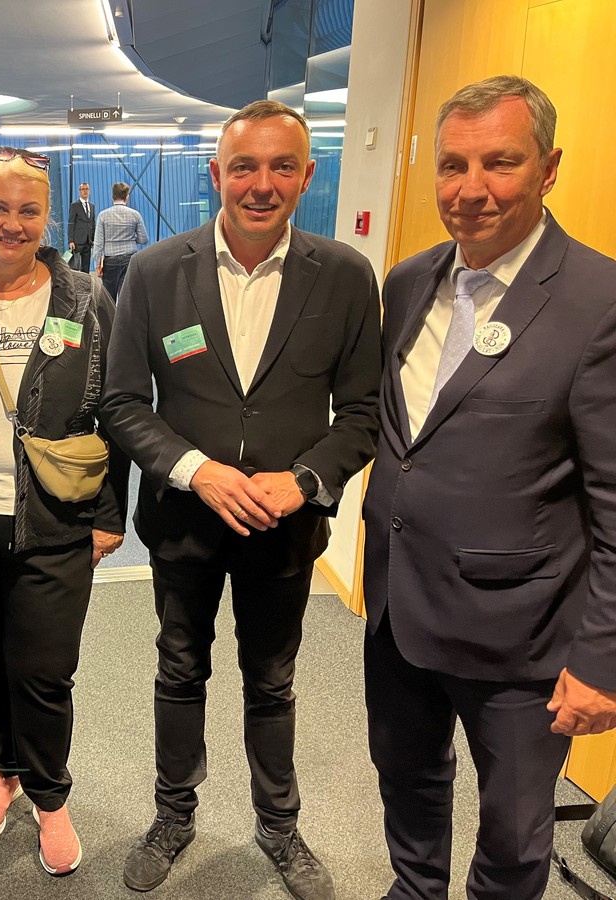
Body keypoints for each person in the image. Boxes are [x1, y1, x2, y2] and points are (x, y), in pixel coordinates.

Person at [101, 100, 381, 898]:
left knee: (273, 679)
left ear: (306, 175)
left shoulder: (346, 275)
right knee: (179, 669)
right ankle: (173, 814)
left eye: (282, 166)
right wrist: (197, 468)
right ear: (217, 173)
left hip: (285, 529)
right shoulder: (157, 271)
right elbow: (123, 402)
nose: (262, 184)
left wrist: (302, 484)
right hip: (186, 518)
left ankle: (279, 827)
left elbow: (363, 412)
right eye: (245, 167)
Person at [362, 75, 616, 900]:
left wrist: (603, 658)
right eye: (452, 165)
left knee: (512, 834)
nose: (470, 190)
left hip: (522, 638)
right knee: (407, 782)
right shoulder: (409, 280)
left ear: (548, 169)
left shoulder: (597, 300)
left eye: (499, 163)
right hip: (399, 607)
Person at [0, 145, 129, 878]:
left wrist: (112, 512)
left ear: (48, 219)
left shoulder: (84, 300)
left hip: (56, 521)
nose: (13, 224)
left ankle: (49, 795)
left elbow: (115, 407)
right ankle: (3, 768)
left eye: (28, 210)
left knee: (43, 670)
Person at [93, 181, 148, 299]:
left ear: (112, 196)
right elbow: (143, 239)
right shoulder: (135, 215)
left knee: (109, 299)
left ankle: (111, 318)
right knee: (127, 298)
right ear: (127, 197)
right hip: (130, 260)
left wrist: (97, 264)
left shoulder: (103, 216)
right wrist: (132, 238)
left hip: (110, 261)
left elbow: (98, 243)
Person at [67, 182, 95, 272]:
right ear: (79, 192)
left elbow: (92, 223)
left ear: (89, 191)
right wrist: (70, 240)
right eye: (83, 189)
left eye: (87, 189)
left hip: (88, 241)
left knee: (86, 267)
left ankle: (86, 284)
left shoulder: (92, 206)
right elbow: (71, 223)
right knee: (75, 267)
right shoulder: (75, 205)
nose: (85, 191)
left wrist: (93, 238)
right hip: (77, 242)